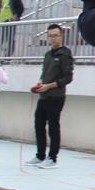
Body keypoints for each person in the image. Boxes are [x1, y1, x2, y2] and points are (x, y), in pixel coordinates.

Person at [25, 24, 74, 169]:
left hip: (56, 96)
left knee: (53, 126)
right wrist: (40, 84)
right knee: (39, 124)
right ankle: (40, 155)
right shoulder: (47, 55)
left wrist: (49, 86)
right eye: (51, 36)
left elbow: (68, 78)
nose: (53, 39)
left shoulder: (65, 54)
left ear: (61, 36)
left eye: (56, 35)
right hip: (44, 95)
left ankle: (52, 158)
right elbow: (44, 73)